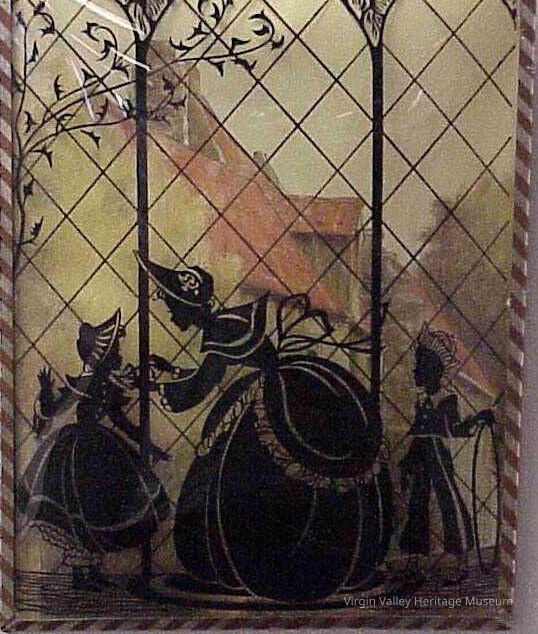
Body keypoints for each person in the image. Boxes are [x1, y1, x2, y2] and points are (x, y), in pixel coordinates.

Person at [138, 253, 393, 603]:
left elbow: (200, 387)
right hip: (267, 397)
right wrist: (171, 372)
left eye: (170, 304)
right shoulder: (225, 324)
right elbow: (217, 372)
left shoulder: (219, 330)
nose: (168, 313)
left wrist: (154, 386)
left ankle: (267, 565)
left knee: (241, 481)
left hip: (265, 408)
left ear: (186, 305)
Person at [18, 309, 170, 592]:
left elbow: (120, 421)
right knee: (81, 511)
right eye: (115, 351)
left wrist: (149, 446)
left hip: (102, 450)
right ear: (102, 355)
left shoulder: (108, 385)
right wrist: (45, 390)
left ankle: (91, 570)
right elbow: (55, 409)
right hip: (77, 453)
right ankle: (81, 574)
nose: (119, 356)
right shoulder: (84, 383)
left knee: (100, 510)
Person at [398, 322, 495, 585]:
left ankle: (461, 563)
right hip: (420, 456)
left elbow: (455, 429)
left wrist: (477, 419)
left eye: (419, 366)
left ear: (433, 369)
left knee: (448, 504)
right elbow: (417, 430)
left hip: (437, 457)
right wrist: (408, 460)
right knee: (417, 507)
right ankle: (414, 563)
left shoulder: (446, 399)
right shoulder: (421, 400)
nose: (415, 371)